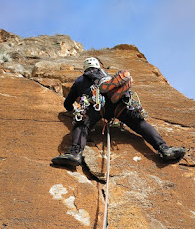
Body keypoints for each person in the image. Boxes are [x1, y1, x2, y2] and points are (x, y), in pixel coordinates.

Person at [51, 57, 185, 167]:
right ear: (98, 66)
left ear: (84, 68)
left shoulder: (80, 80)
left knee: (82, 124)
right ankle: (164, 148)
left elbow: (67, 103)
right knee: (139, 123)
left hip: (96, 106)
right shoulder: (105, 74)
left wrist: (73, 110)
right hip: (119, 105)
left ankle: (75, 153)